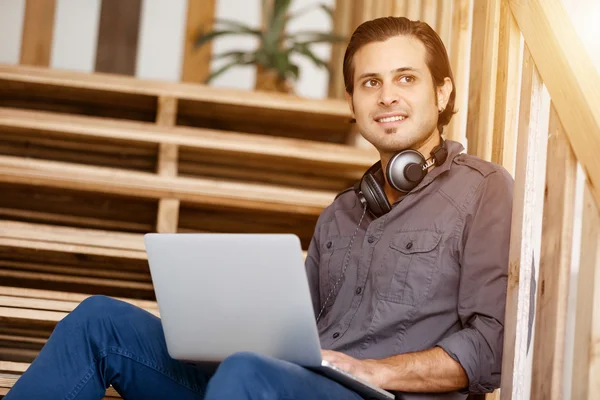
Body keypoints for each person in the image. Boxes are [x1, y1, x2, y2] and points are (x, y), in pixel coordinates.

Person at [5, 16, 513, 400]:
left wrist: (374, 370)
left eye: (406, 78)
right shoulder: (341, 214)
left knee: (246, 374)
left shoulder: (483, 190)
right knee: (100, 322)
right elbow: (295, 334)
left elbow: (489, 348)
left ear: (443, 92)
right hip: (283, 382)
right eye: (371, 83)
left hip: (375, 394)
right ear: (352, 102)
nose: (387, 97)